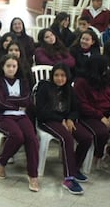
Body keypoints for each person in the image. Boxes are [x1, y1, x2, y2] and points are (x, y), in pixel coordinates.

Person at [34, 63, 93, 194]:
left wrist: (71, 119)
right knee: (67, 138)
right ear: (52, 76)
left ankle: (74, 167)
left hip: (66, 120)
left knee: (86, 137)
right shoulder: (44, 87)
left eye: (63, 75)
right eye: (56, 75)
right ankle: (68, 178)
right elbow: (41, 112)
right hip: (48, 120)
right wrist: (60, 120)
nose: (59, 78)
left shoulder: (69, 89)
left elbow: (76, 109)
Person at [0, 54, 39, 191]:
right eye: (8, 66)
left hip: (21, 116)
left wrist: (9, 100)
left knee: (32, 139)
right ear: (3, 67)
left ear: (17, 68)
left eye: (14, 66)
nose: (11, 69)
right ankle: (2, 162)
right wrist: (17, 104)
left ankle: (33, 175)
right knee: (17, 136)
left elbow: (27, 100)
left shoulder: (23, 81)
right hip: (3, 116)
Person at [74, 55, 110, 169]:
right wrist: (100, 117)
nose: (107, 70)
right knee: (102, 133)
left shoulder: (109, 81)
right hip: (90, 115)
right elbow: (82, 105)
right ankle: (97, 155)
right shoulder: (81, 82)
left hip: (109, 114)